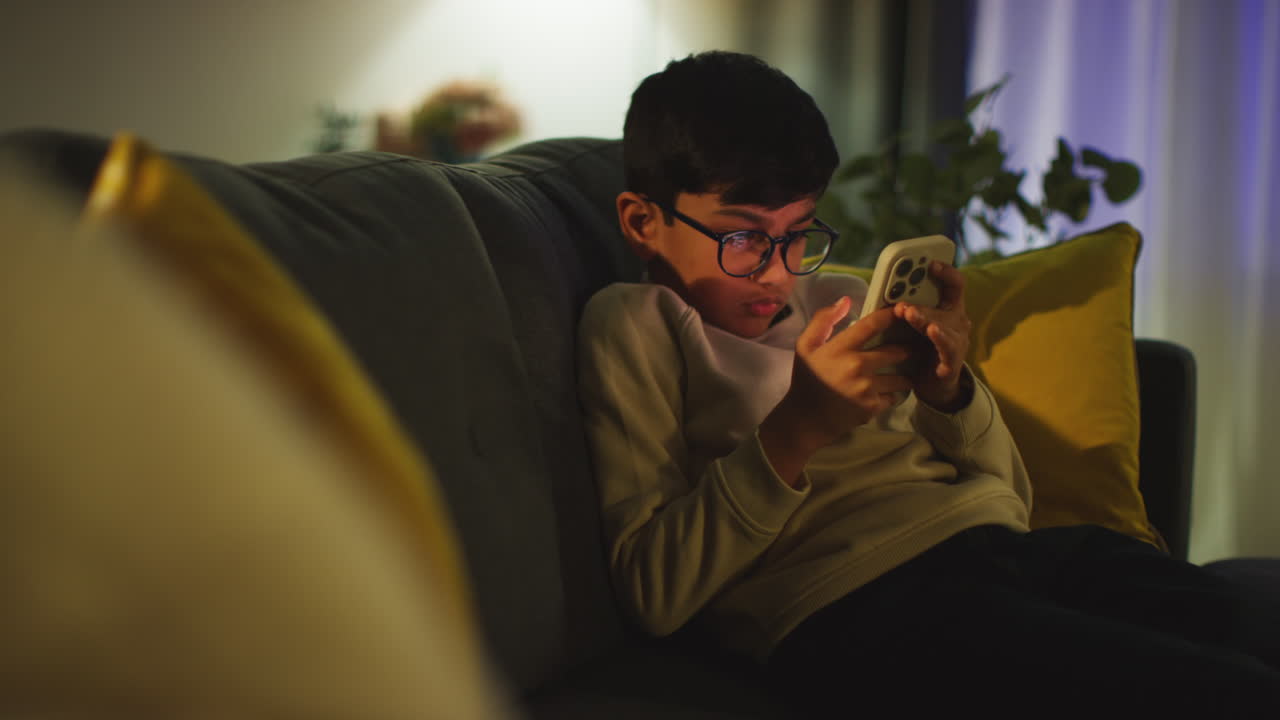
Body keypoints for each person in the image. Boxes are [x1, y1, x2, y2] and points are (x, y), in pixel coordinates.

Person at [576, 50, 1280, 715]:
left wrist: (951, 395)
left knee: (1235, 619)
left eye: (799, 235)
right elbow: (653, 591)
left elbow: (1013, 499)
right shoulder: (635, 325)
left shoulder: (834, 302)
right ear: (643, 221)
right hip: (860, 606)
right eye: (745, 238)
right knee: (1217, 694)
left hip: (1001, 550)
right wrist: (798, 428)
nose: (778, 271)